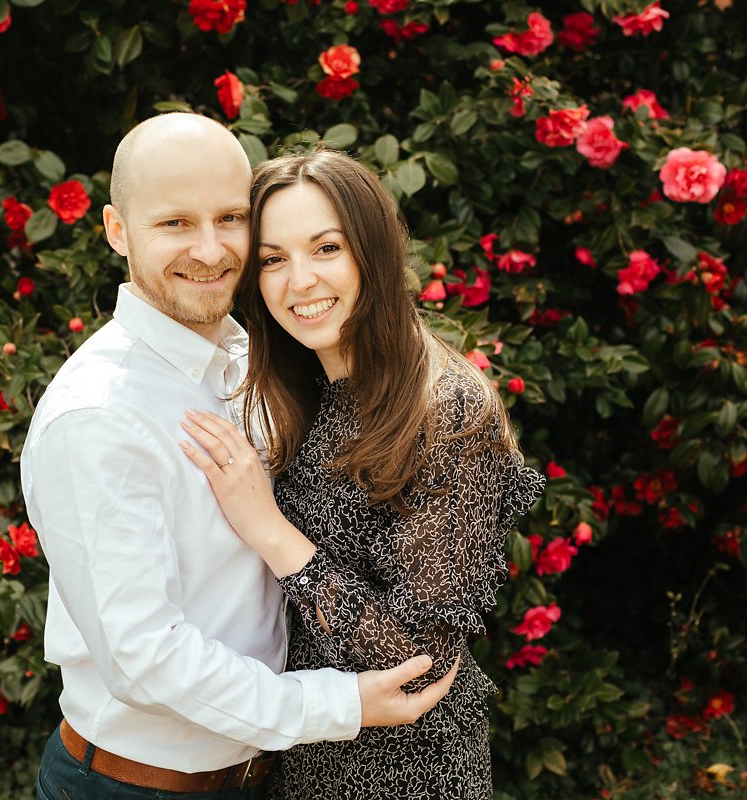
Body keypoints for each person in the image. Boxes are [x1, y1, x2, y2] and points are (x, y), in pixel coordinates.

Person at [20, 114, 457, 800]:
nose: (211, 248)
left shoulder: (251, 357)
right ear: (115, 230)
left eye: (230, 217)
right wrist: (337, 706)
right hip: (137, 788)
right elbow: (144, 657)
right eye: (174, 224)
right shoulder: (98, 416)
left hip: (262, 776)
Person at [179, 149, 545, 799]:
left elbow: (416, 666)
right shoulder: (304, 393)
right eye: (272, 259)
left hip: (411, 778)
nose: (300, 282)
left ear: (372, 253)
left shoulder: (449, 413)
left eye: (325, 248)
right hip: (310, 766)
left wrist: (269, 529)